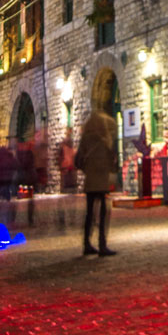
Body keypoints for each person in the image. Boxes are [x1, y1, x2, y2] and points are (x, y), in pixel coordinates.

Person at [76, 110, 118, 256]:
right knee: (103, 213)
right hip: (101, 180)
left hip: (90, 182)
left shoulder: (85, 139)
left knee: (89, 213)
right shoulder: (104, 140)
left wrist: (88, 170)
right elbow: (111, 162)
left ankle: (87, 243)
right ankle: (102, 244)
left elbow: (78, 160)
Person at [56, 129, 77, 230]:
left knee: (70, 198)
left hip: (71, 173)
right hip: (66, 173)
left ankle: (70, 217)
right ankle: (64, 218)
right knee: (65, 197)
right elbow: (59, 159)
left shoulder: (72, 148)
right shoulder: (63, 148)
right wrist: (63, 167)